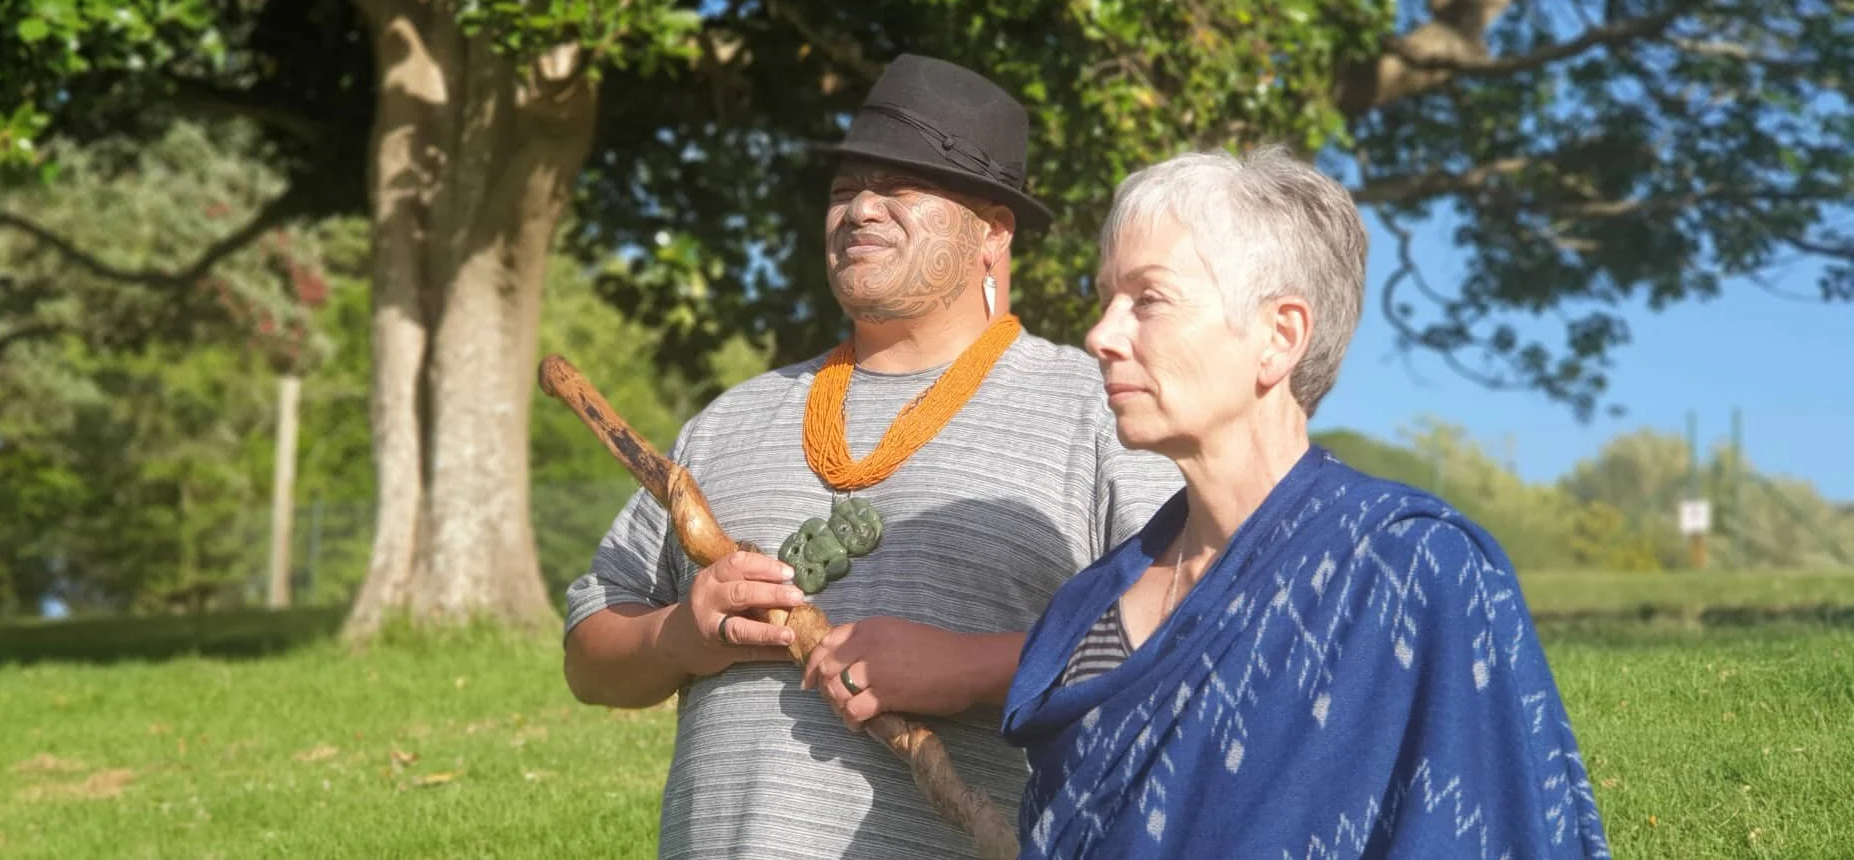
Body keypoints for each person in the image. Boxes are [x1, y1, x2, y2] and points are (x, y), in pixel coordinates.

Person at [561, 54, 1183, 859]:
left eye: (900, 186)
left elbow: (1190, 638)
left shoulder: (1099, 413)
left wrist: (975, 666)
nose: (859, 209)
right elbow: (588, 657)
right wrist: (680, 636)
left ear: (993, 232)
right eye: (843, 188)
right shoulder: (729, 420)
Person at [1000, 147, 1612, 858]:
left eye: (1147, 300)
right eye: (1105, 298)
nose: (1101, 335)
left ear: (1279, 337)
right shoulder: (1089, 608)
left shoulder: (1410, 570)